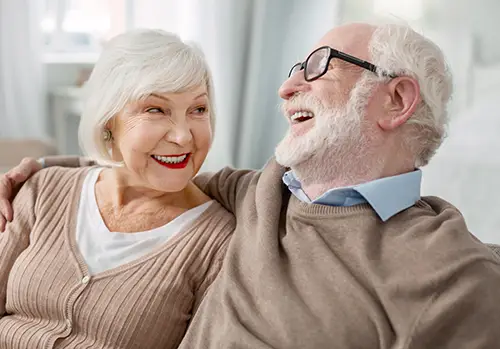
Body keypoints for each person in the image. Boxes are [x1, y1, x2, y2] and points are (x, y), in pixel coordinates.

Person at [2, 22, 500, 348]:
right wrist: (41, 172)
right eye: (291, 72)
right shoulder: (261, 192)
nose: (286, 89)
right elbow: (144, 171)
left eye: (317, 67)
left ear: (396, 99)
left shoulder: (455, 272)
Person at [0, 29, 235, 349]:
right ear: (109, 120)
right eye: (156, 109)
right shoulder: (43, 190)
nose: (183, 137)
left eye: (198, 110)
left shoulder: (218, 243)